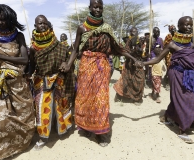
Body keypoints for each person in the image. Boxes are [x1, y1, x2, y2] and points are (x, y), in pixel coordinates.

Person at [60, 0, 137, 147]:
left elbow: (118, 48)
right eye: (95, 7)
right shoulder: (81, 28)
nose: (97, 9)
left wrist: (133, 58)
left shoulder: (106, 28)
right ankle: (87, 126)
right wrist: (68, 65)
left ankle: (101, 133)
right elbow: (76, 49)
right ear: (89, 8)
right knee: (86, 98)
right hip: (85, 67)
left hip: (102, 66)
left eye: (100, 7)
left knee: (101, 99)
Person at [137, 16, 194, 144]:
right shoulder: (172, 44)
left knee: (185, 98)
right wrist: (143, 64)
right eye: (185, 25)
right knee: (185, 99)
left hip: (189, 75)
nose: (188, 27)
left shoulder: (191, 43)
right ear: (179, 26)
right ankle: (182, 129)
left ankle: (168, 115)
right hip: (176, 73)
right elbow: (158, 59)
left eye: (190, 25)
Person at [29, 15, 75, 150]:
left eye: (44, 23)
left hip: (59, 78)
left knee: (61, 105)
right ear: (35, 26)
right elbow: (32, 66)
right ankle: (43, 137)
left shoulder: (58, 45)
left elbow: (68, 59)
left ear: (48, 25)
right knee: (42, 108)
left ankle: (62, 128)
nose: (42, 25)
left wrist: (66, 64)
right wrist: (26, 73)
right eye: (39, 23)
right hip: (41, 80)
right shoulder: (33, 48)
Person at [0, 4, 35, 159]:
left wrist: (1, 57)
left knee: (24, 114)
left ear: (10, 18)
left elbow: (24, 60)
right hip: (1, 83)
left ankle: (21, 143)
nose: (0, 23)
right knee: (4, 117)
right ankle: (4, 148)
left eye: (3, 19)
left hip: (18, 83)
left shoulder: (18, 36)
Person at [113, 27, 145, 105]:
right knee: (127, 80)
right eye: (133, 32)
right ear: (130, 33)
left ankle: (137, 98)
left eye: (136, 31)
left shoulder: (139, 42)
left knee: (140, 79)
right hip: (130, 64)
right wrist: (132, 54)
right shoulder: (129, 41)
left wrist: (144, 53)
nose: (134, 33)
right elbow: (125, 53)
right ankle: (119, 95)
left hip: (138, 64)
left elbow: (142, 54)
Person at [163, 25, 177, 90]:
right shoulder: (168, 36)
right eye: (173, 29)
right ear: (170, 30)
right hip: (169, 54)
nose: (174, 30)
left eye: (175, 28)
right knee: (169, 67)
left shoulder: (178, 36)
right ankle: (168, 83)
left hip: (177, 54)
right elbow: (165, 45)